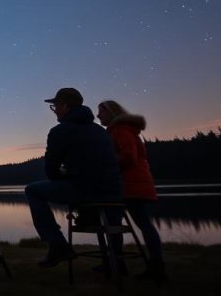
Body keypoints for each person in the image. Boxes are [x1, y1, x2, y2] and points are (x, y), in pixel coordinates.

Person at [25, 87, 123, 268]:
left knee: (33, 191)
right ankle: (117, 262)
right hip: (115, 192)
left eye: (55, 106)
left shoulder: (60, 131)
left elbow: (51, 171)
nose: (54, 110)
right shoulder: (100, 131)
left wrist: (65, 176)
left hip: (86, 190)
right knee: (86, 193)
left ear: (65, 106)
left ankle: (58, 245)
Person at [97, 99, 168, 283]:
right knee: (123, 222)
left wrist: (107, 166)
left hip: (132, 184)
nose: (98, 116)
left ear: (111, 113)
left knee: (140, 223)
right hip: (132, 184)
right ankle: (118, 263)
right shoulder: (120, 130)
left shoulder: (120, 129)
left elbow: (129, 156)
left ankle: (155, 267)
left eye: (101, 112)